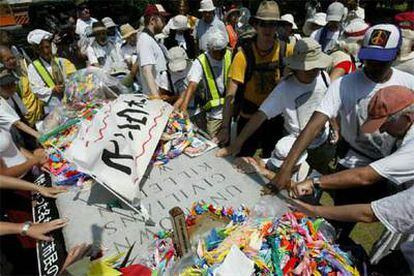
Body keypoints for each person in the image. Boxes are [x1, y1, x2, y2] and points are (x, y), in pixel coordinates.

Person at [273, 24, 414, 240]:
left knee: (386, 221)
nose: (373, 66)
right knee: (338, 223)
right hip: (353, 160)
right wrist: (286, 169)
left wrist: (314, 185)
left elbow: (366, 181)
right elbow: (314, 125)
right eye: (369, 59)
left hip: (392, 167)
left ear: (395, 55)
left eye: (381, 61)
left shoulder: (409, 85)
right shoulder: (344, 84)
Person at [290, 86, 414, 275]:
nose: (382, 129)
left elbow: (368, 207)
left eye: (385, 123)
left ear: (406, 119)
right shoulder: (403, 133)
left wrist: (314, 205)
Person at [218, 38, 335, 174]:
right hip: (296, 147)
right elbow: (260, 116)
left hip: (323, 142)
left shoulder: (324, 76)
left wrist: (335, 128)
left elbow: (328, 104)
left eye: (317, 67)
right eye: (310, 67)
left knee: (314, 181)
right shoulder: (284, 89)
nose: (314, 71)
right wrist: (237, 144)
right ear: (298, 66)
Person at [216, 0, 294, 158]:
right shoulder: (243, 55)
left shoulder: (286, 50)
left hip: (274, 120)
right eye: (263, 23)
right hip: (248, 117)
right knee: (241, 160)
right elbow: (230, 94)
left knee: (272, 161)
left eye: (272, 24)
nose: (267, 28)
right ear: (256, 25)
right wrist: (225, 127)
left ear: (277, 26)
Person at [175, 29, 231, 138]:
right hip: (214, 114)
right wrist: (184, 108)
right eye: (216, 52)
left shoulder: (229, 54)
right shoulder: (201, 61)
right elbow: (192, 85)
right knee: (214, 141)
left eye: (222, 51)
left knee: (228, 140)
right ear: (209, 49)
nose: (220, 55)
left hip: (230, 109)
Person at [27, 29, 76, 115]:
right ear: (37, 50)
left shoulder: (61, 61)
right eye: (41, 48)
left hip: (68, 98)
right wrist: (52, 89)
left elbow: (72, 77)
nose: (45, 51)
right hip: (52, 104)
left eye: (47, 47)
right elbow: (35, 88)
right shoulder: (33, 67)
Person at [234, 135, 310, 183]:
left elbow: (291, 186)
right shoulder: (275, 160)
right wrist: (251, 161)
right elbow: (263, 163)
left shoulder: (306, 173)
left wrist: (264, 171)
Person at [0, 46, 44, 126]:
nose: (12, 61)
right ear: (1, 62)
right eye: (7, 60)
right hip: (26, 118)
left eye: (12, 57)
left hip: (39, 111)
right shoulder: (5, 81)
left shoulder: (21, 69)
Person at [137, 4, 170, 98]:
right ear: (152, 20)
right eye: (162, 18)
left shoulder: (151, 39)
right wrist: (156, 98)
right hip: (153, 98)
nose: (165, 22)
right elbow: (147, 71)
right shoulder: (145, 40)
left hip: (160, 94)